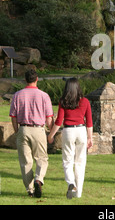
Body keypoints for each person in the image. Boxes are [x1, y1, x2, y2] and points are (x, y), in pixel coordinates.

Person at [10, 69, 54, 198]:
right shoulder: (44, 95)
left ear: (25, 80)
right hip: (38, 129)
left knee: (25, 161)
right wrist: (51, 132)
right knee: (42, 158)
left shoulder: (17, 95)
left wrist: (16, 131)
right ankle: (38, 179)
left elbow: (13, 116)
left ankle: (30, 190)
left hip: (23, 128)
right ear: (37, 79)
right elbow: (49, 118)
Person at [48, 77, 93, 199]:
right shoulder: (85, 101)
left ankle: (71, 183)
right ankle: (78, 193)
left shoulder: (63, 101)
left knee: (67, 161)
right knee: (80, 162)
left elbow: (58, 121)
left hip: (68, 131)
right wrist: (90, 137)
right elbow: (89, 122)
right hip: (81, 130)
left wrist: (51, 135)